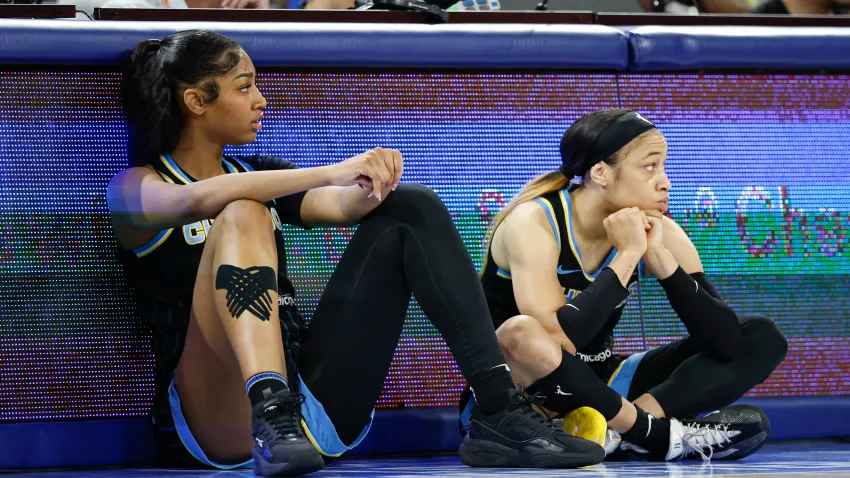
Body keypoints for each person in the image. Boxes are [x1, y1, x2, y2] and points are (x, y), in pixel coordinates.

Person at [107, 30, 606, 477]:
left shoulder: (257, 172)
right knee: (242, 210)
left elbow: (345, 205)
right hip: (215, 414)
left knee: (410, 206)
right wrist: (330, 170)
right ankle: (270, 408)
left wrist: (375, 179)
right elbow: (193, 200)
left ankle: (497, 409)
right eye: (244, 87)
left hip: (315, 399)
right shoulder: (137, 186)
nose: (261, 99)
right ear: (197, 101)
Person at [459, 109, 788, 461]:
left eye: (663, 167)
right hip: (526, 396)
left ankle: (613, 432)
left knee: (761, 336)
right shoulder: (533, 222)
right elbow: (556, 341)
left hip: (604, 385)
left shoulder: (659, 229)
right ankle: (656, 435)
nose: (665, 182)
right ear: (601, 172)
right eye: (650, 167)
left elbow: (726, 342)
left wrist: (661, 259)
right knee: (522, 332)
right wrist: (629, 253)